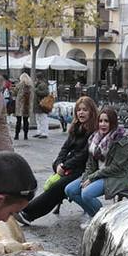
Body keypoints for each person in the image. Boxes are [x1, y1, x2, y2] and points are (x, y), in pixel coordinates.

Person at [18, 96, 98, 225]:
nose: (81, 113)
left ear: (91, 112)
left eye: (85, 110)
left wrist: (64, 166)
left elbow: (84, 155)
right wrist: (58, 164)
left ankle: (28, 212)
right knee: (56, 186)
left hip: (85, 169)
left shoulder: (94, 131)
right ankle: (27, 213)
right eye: (79, 110)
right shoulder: (76, 127)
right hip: (71, 167)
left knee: (58, 187)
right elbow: (65, 148)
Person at [64, 105, 128, 224]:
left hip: (116, 176)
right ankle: (94, 216)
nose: (103, 124)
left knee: (86, 194)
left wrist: (92, 177)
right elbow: (90, 164)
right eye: (100, 121)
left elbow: (116, 167)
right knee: (70, 190)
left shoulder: (121, 140)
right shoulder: (95, 138)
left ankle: (102, 219)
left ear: (113, 123)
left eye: (106, 121)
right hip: (99, 175)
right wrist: (86, 177)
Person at [14, 72, 33, 141]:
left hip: (19, 106)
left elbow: (14, 92)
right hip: (27, 105)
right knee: (26, 121)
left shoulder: (19, 85)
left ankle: (17, 135)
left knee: (18, 121)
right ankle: (25, 136)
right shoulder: (30, 86)